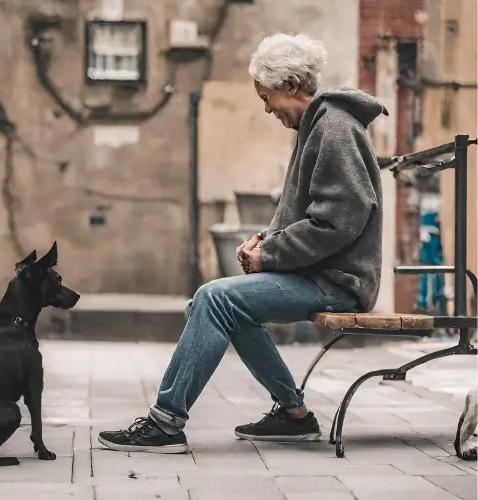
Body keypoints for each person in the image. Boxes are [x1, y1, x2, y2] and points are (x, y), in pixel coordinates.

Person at [97, 32, 388, 453]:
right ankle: (293, 416)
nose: (266, 107)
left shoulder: (336, 129)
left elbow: (338, 221)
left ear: (289, 84)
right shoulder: (319, 127)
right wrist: (265, 241)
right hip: (321, 274)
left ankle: (165, 423)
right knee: (211, 305)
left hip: (339, 282)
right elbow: (313, 215)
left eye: (267, 96)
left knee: (213, 299)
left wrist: (269, 254)